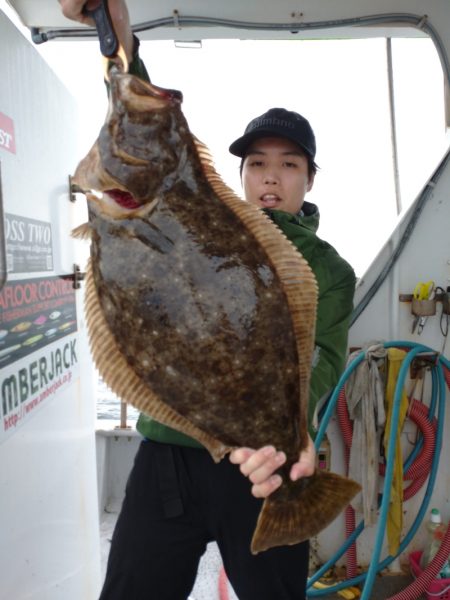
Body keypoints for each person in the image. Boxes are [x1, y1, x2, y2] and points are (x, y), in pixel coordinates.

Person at [60, 2, 356, 599]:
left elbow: (322, 358)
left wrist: (286, 427)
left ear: (309, 178)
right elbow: (143, 116)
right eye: (257, 164)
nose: (271, 177)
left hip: (263, 466)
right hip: (166, 454)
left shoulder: (331, 270)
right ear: (241, 174)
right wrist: (113, 26)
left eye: (289, 165)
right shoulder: (190, 215)